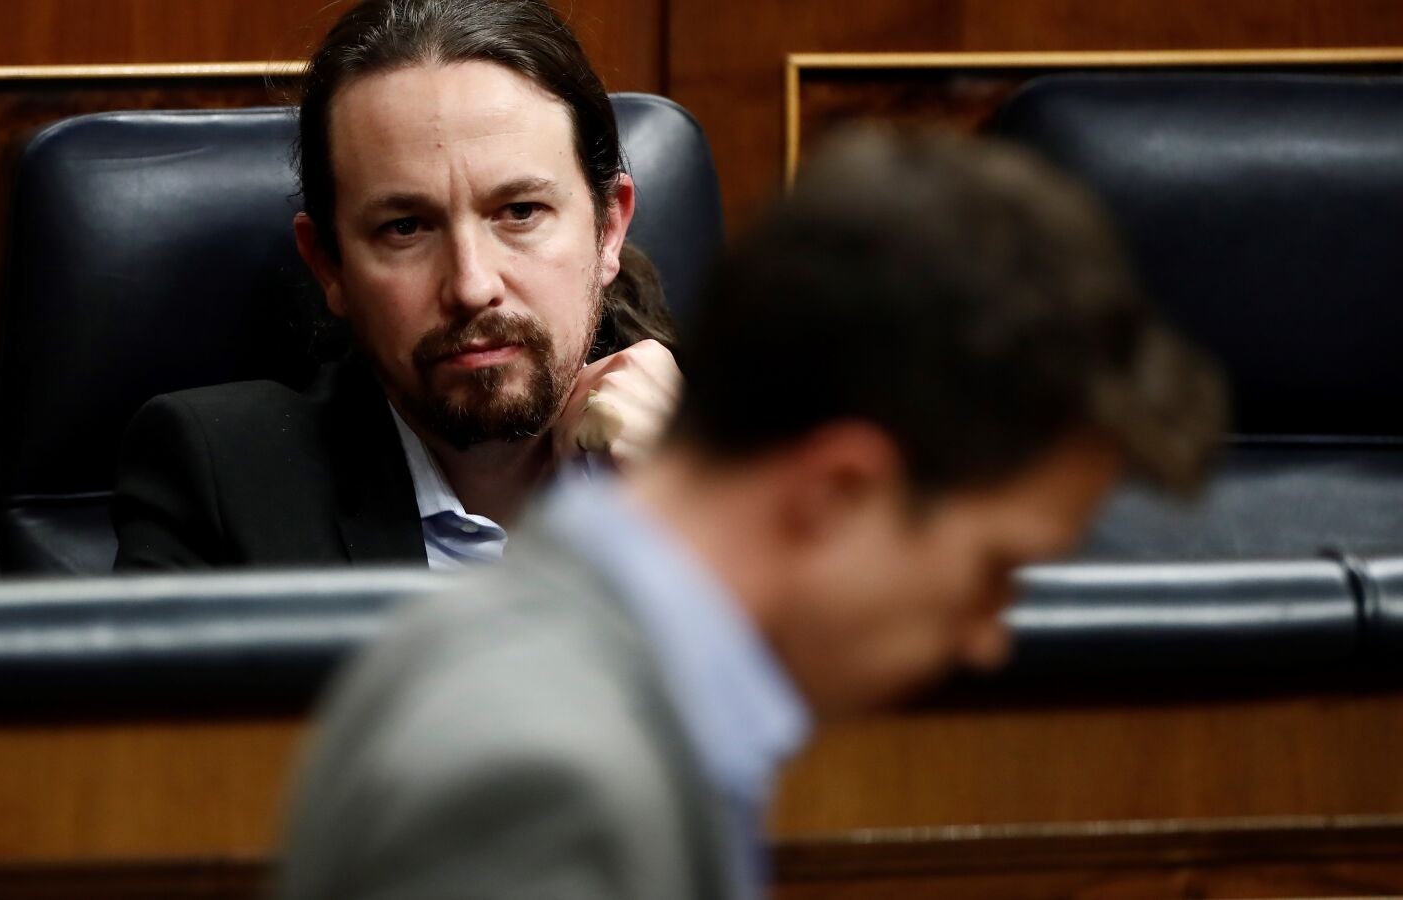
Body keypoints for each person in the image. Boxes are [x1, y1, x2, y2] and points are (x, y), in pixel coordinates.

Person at [274, 125, 1226, 900]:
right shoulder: (548, 773)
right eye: (993, 569)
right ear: (838, 491)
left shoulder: (600, 678)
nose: (988, 639)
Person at [112, 0, 681, 570]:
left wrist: (690, 494)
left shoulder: (714, 460)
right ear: (329, 264)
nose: (471, 285)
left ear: (608, 229)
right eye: (405, 227)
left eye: (520, 212)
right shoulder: (221, 479)